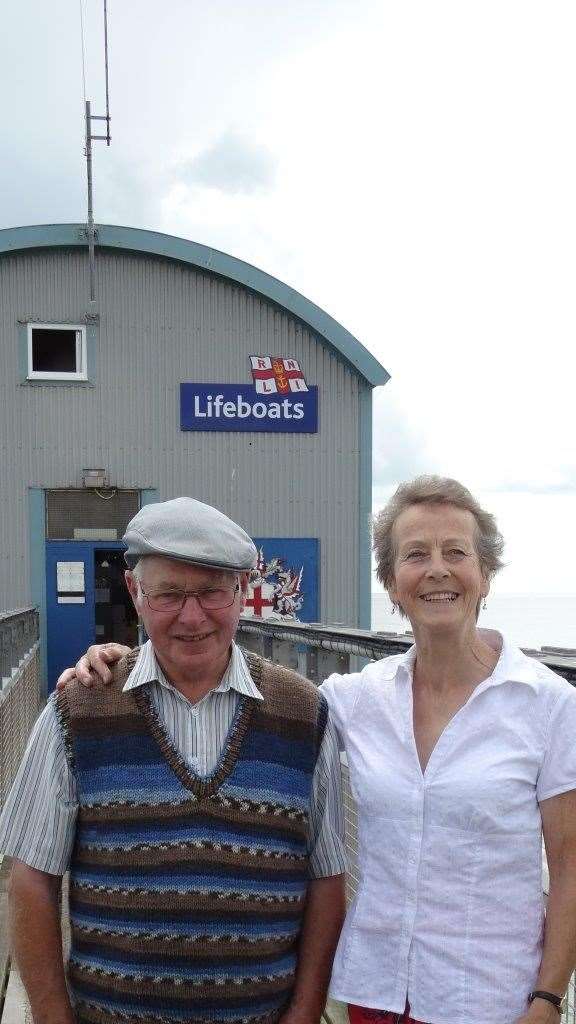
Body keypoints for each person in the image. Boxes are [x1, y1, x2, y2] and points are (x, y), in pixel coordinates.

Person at [65, 478, 576, 1024]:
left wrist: (548, 998)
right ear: (392, 581)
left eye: (457, 552)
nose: (437, 569)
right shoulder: (352, 700)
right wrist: (122, 662)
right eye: (415, 554)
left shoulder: (549, 704)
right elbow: (241, 684)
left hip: (493, 999)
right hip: (377, 994)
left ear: (486, 574)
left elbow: (568, 865)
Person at [0, 497, 346, 1024]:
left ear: (242, 592)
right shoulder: (78, 707)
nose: (192, 616)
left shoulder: (304, 713)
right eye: (169, 593)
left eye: (211, 592)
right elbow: (30, 879)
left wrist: (304, 1016)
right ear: (136, 593)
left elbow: (326, 881)